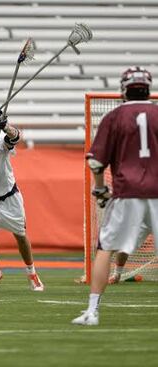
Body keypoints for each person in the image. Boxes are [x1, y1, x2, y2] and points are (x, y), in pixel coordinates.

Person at [72, 66, 158, 325]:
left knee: (105, 248)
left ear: (124, 89)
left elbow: (96, 163)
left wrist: (99, 188)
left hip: (126, 192)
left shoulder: (114, 117)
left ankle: (92, 311)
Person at [0, 107, 44, 292]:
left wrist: (5, 126)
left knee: (20, 235)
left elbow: (15, 137)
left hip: (8, 196)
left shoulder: (1, 143)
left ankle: (32, 273)